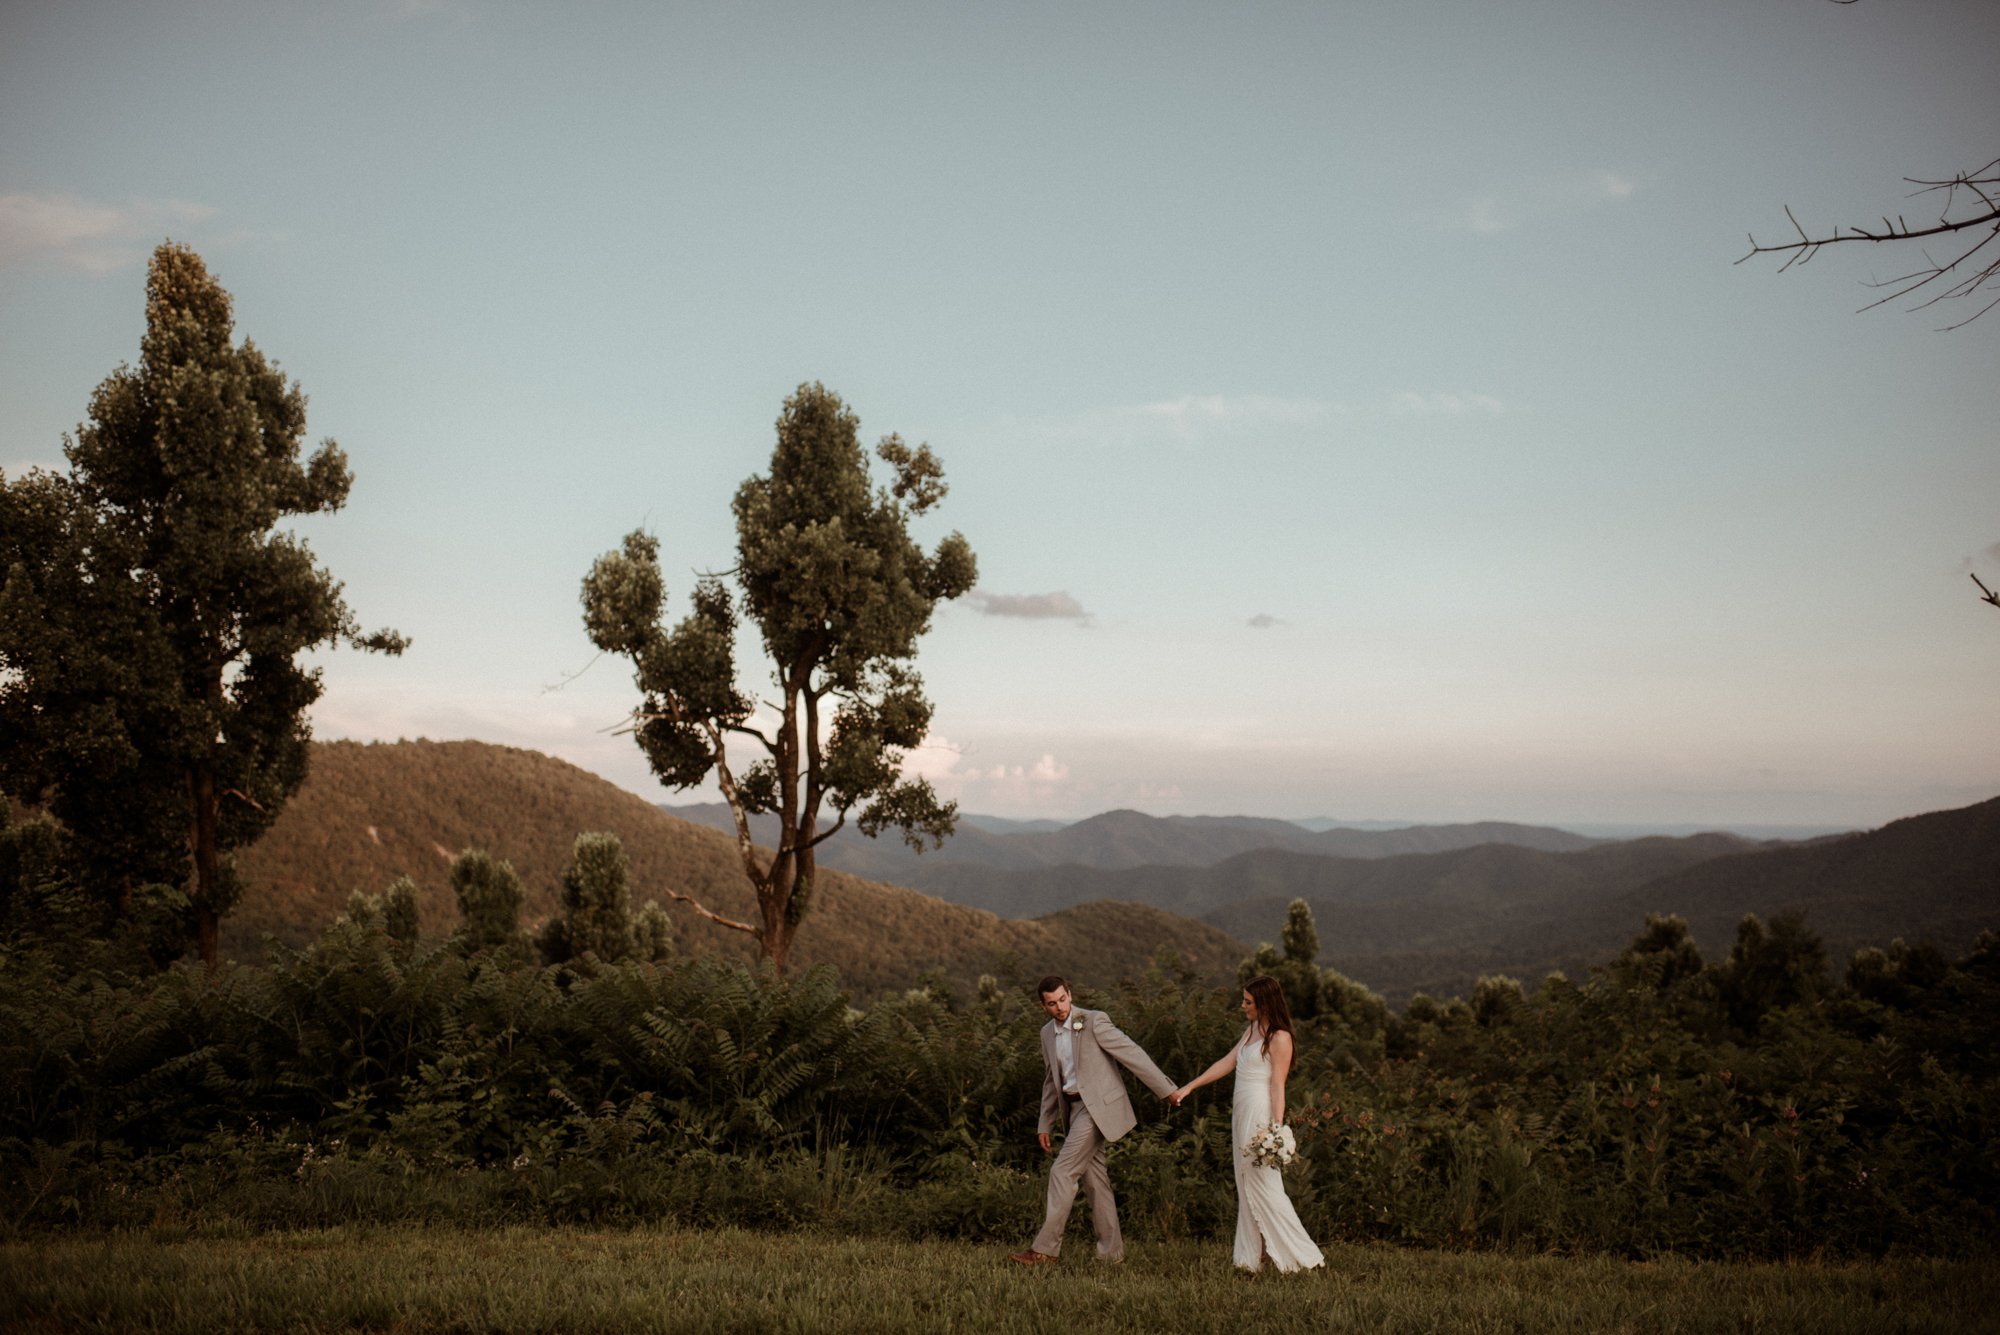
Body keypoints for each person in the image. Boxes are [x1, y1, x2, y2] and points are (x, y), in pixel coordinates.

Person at [1008, 975, 1178, 1265]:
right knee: (1095, 1182)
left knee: (1061, 1172)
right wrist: (1044, 1123)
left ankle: (1045, 1251)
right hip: (1072, 1110)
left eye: (1063, 999)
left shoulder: (1094, 1021)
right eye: (1052, 1004)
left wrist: (1166, 1090)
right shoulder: (1046, 1034)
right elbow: (1051, 1081)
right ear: (1043, 1006)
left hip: (1097, 1109)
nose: (1060, 1007)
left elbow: (1130, 1053)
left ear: (1070, 995)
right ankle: (1111, 1255)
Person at [1169, 974, 1325, 1273]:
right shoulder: (1252, 1029)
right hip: (1241, 1112)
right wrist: (1190, 1087)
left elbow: (1278, 1085)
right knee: (1246, 1183)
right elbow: (1227, 1062)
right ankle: (1255, 1256)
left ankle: (1301, 1255)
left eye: (1248, 1001)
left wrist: (1276, 1131)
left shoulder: (1280, 1038)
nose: (1242, 1005)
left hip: (1260, 1112)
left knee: (1265, 1183)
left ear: (1264, 1003)